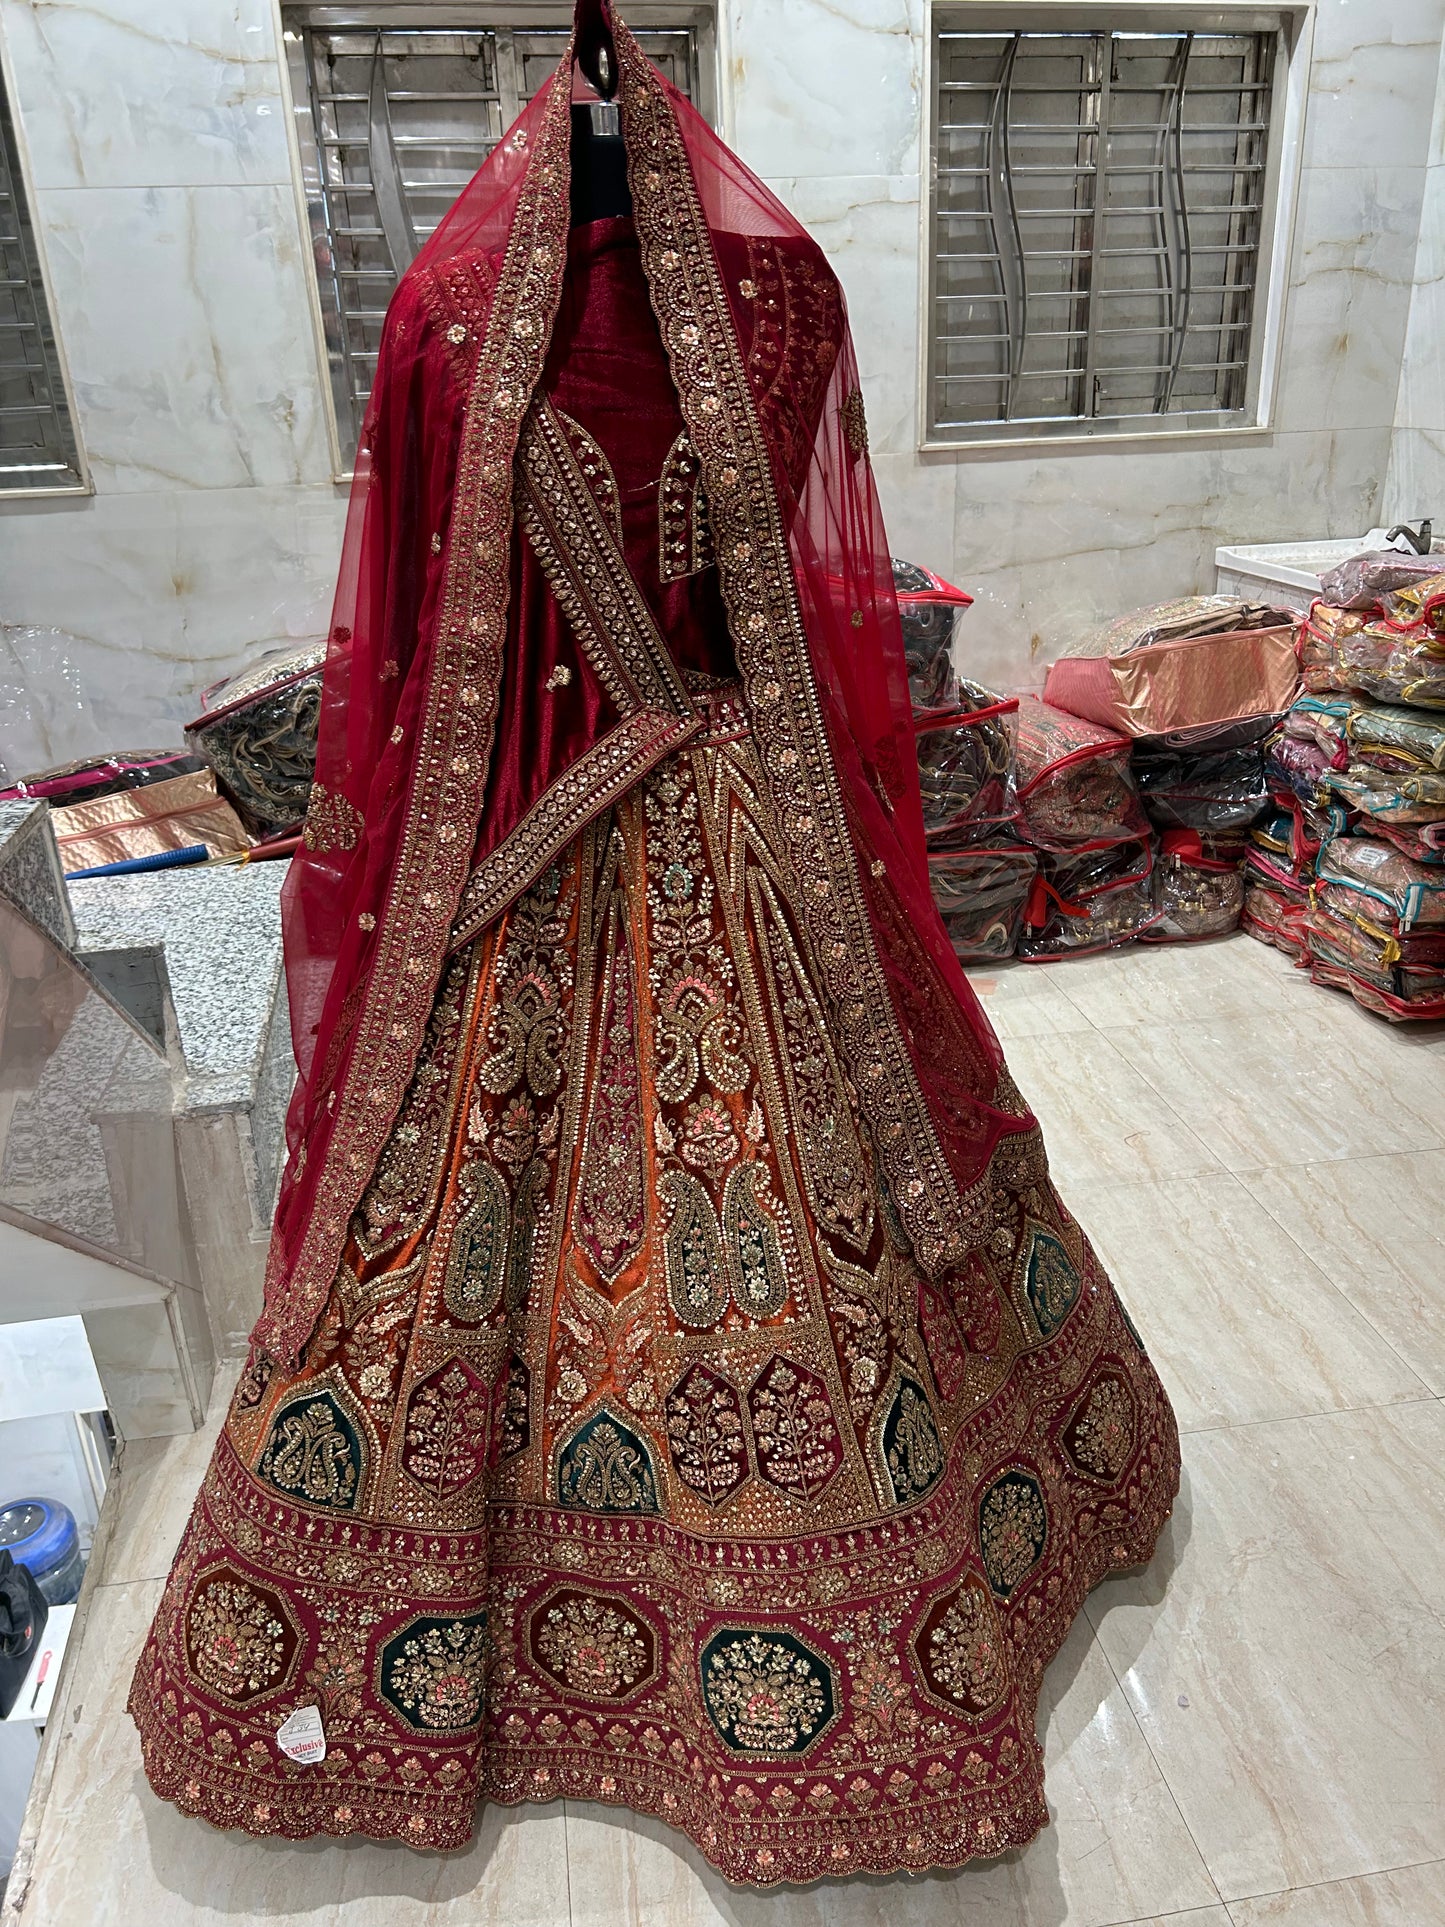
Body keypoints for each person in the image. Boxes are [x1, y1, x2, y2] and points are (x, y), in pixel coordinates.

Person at [129, 1, 1179, 1884]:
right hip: (727, 836)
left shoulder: (596, 312)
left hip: (549, 842)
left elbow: (418, 663)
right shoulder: (677, 310)